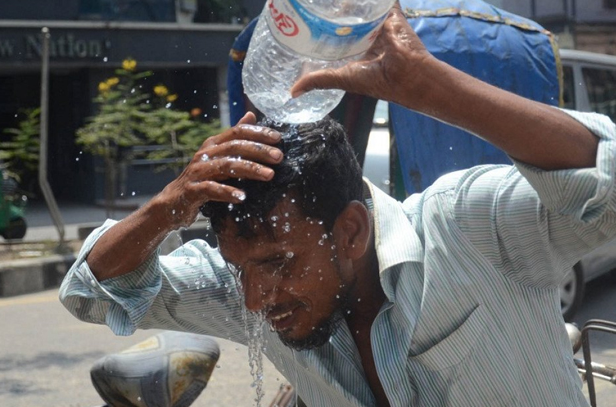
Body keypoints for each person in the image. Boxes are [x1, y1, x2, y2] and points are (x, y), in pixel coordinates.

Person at [60, 4, 616, 407]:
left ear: (350, 231)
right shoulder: (248, 289)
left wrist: (431, 87)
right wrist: (167, 206)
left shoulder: (468, 228)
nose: (253, 300)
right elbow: (90, 292)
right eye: (239, 269)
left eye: (277, 263)